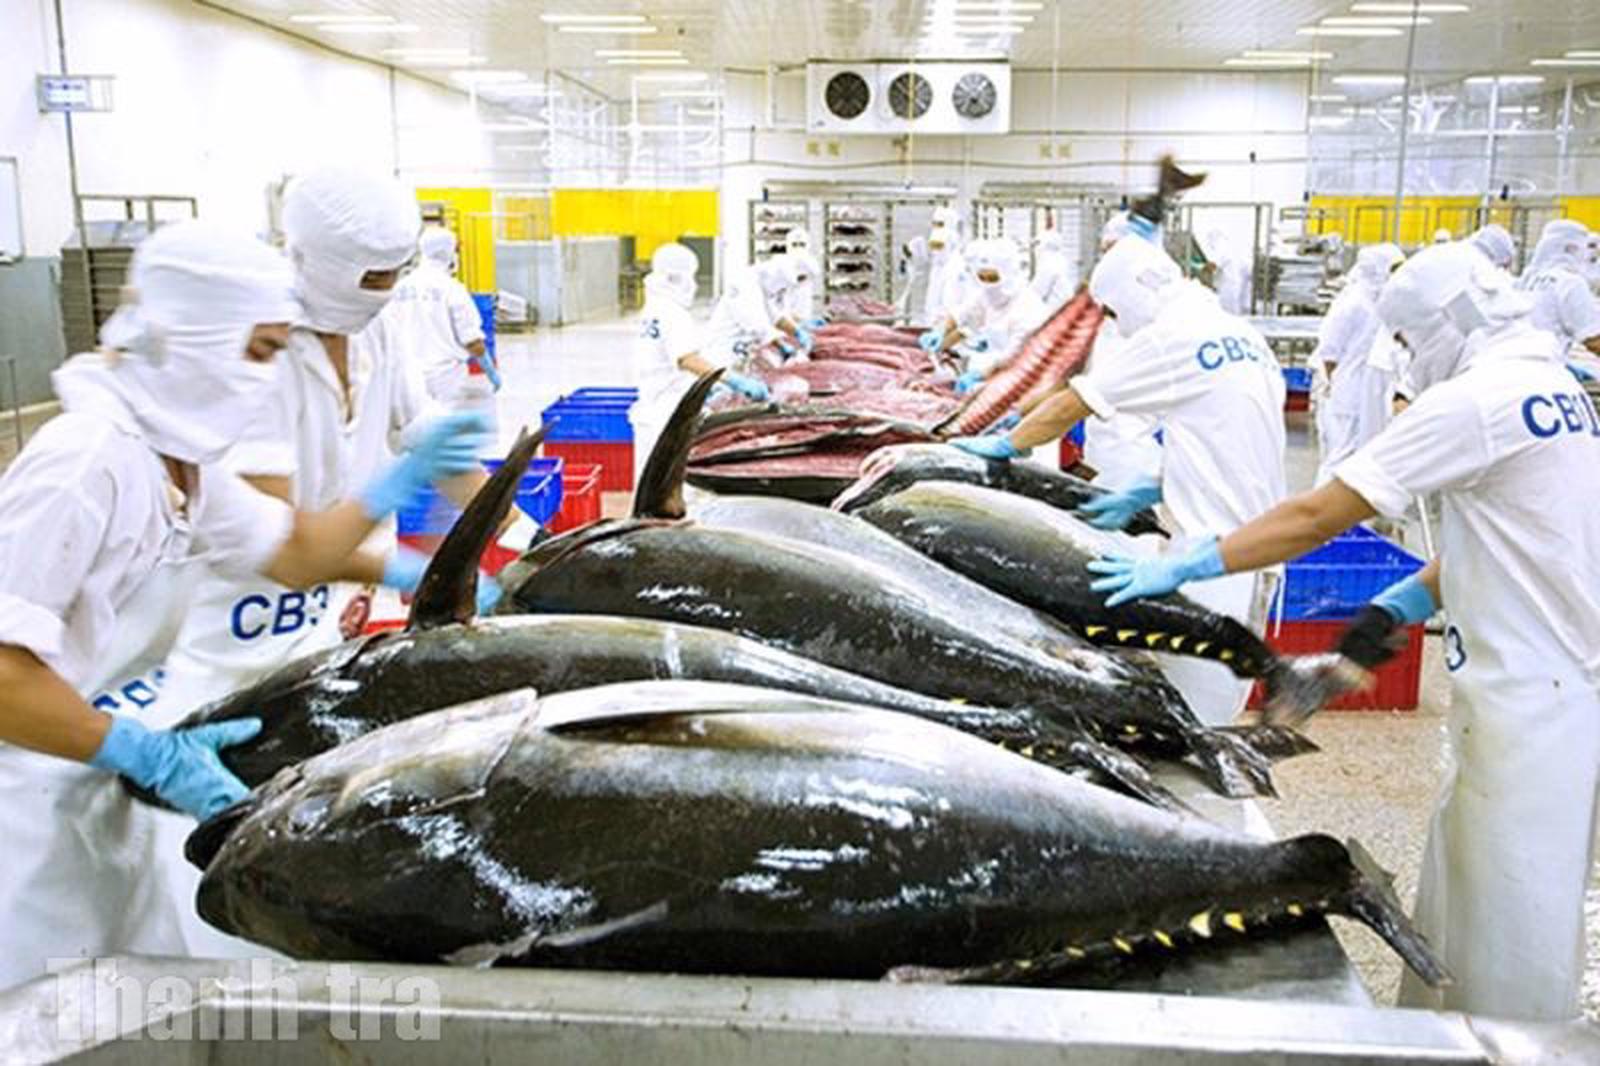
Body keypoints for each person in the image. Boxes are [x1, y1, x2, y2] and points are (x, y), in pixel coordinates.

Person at [1086, 242, 1600, 1023]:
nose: (1407, 359)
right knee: (1467, 883)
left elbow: (1317, 513)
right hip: (1540, 685)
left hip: (1534, 697)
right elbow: (1519, 539)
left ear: (1444, 323)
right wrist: (1386, 615)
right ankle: (1439, 1033)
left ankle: (1507, 1046)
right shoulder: (1553, 384)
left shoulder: (1479, 399)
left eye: (1409, 339)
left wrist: (1195, 559)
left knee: (1511, 914)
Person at [0, 221, 488, 988]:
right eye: (260, 352)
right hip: (27, 799)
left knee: (126, 994)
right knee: (41, 1007)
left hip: (94, 783)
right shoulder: (85, 462)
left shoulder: (179, 469)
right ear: (197, 340)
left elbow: (296, 552)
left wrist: (408, 537)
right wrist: (142, 752)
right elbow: (4, 676)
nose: (266, 379)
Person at [950, 231, 1286, 726]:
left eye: (1113, 311)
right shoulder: (1239, 334)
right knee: (1219, 693)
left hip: (1211, 553)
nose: (1114, 322)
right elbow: (1229, 436)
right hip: (1259, 542)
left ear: (1131, 294)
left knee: (1196, 714)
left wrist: (1009, 444)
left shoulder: (1173, 335)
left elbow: (1074, 402)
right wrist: (1155, 486)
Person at [636, 242, 767, 478]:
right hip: (667, 412)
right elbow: (687, 359)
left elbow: (670, 361)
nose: (693, 284)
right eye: (691, 277)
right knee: (664, 485)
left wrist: (705, 389)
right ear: (678, 278)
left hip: (655, 407)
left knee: (651, 483)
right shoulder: (672, 313)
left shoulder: (654, 307)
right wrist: (731, 380)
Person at [1312, 243, 1405, 483]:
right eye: (1393, 269)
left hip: (1369, 388)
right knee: (1339, 456)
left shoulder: (1382, 302)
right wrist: (1335, 384)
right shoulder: (1353, 302)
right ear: (1378, 269)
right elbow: (1329, 351)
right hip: (1348, 390)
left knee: (1361, 456)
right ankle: (1325, 504)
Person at [382, 226, 492, 404]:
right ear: (448, 252)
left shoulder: (400, 287)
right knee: (444, 419)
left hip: (406, 376)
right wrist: (491, 373)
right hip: (446, 378)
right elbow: (473, 341)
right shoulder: (452, 289)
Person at [925, 238, 1048, 394]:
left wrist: (979, 375)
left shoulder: (1028, 308)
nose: (987, 285)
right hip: (997, 374)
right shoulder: (986, 296)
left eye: (992, 278)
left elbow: (1014, 356)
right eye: (981, 278)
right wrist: (941, 331)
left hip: (1026, 379)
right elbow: (963, 314)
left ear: (1009, 275)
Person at [705, 253, 806, 370]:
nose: (782, 291)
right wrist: (782, 345)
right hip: (724, 350)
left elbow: (775, 316)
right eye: (782, 287)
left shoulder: (763, 287)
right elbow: (757, 325)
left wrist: (797, 331)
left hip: (742, 349)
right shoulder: (745, 283)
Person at [1518, 219, 1600, 358]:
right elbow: (1593, 340)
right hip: (1545, 363)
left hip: (1516, 359)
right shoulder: (1570, 282)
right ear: (1571, 249)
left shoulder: (1528, 280)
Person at [921, 207, 969, 328]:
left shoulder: (956, 267)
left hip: (947, 326)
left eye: (939, 246)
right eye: (933, 246)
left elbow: (953, 303)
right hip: (933, 322)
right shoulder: (937, 266)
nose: (935, 250)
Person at [1195, 226, 1252, 315]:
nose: (1210, 244)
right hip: (1234, 285)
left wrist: (1199, 268)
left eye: (1210, 241)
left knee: (1228, 312)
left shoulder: (1222, 248)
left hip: (1229, 286)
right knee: (1234, 312)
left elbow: (1213, 265)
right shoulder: (1231, 249)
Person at [781, 227, 827, 330]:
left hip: (804, 293)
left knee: (803, 317)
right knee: (788, 318)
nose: (798, 247)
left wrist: (803, 261)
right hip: (788, 293)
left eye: (801, 244)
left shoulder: (810, 260)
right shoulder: (783, 260)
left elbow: (816, 271)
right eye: (794, 244)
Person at [1031, 229, 1076, 313]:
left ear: (1045, 244)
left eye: (1037, 244)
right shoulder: (1060, 259)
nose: (1035, 249)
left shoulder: (1048, 262)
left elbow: (1037, 292)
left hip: (1054, 309)